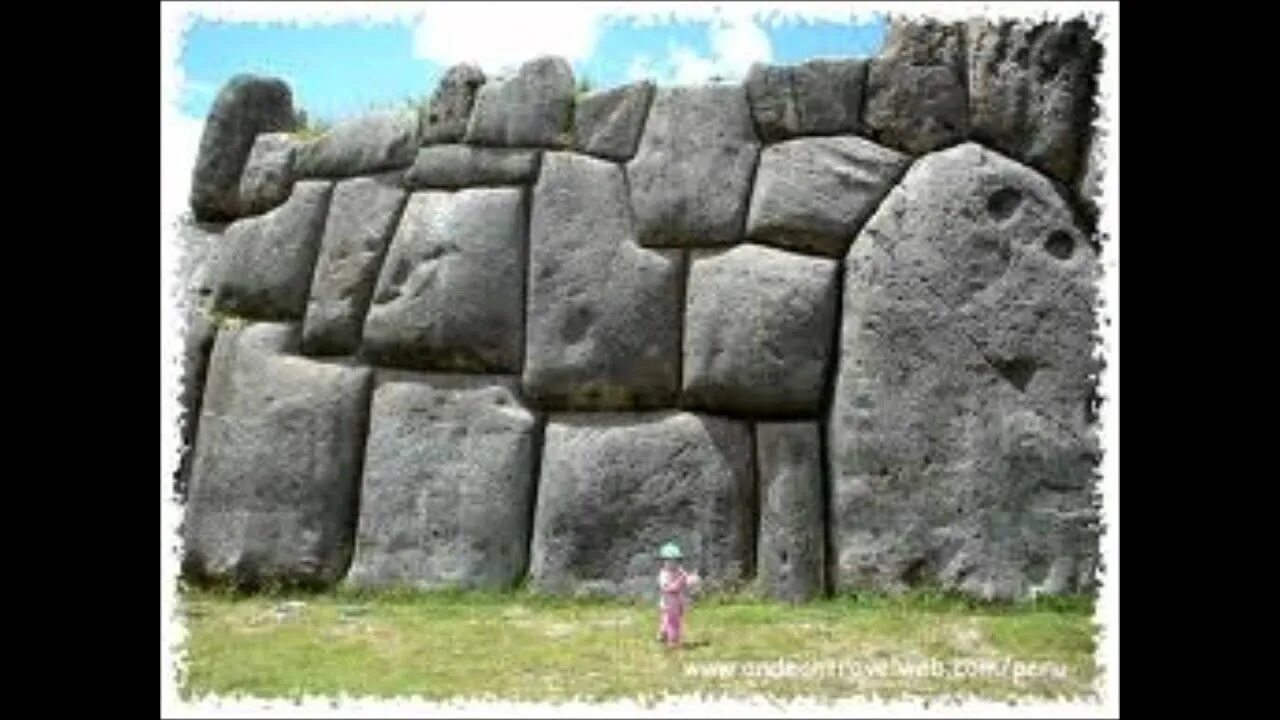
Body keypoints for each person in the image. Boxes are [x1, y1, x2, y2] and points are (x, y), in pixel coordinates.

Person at [656, 542, 700, 648]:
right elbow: (669, 589)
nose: (673, 563)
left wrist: (693, 579)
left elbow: (687, 581)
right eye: (669, 561)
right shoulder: (663, 575)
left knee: (667, 620)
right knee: (673, 622)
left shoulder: (679, 571)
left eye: (676, 560)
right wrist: (680, 581)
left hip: (679, 602)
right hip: (669, 603)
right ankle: (673, 641)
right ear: (664, 562)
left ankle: (663, 634)